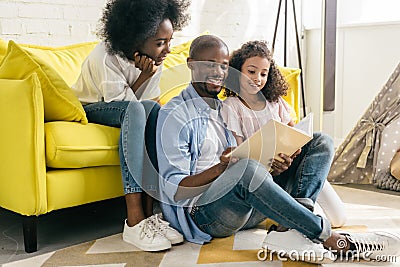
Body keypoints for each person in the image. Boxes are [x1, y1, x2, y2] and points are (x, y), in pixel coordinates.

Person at [156, 35, 400, 263]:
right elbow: (174, 189)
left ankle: (289, 229)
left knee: (319, 141)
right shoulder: (176, 115)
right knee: (246, 170)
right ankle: (331, 239)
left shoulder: (221, 108)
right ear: (190, 64)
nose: (218, 72)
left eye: (223, 65)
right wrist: (223, 168)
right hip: (207, 214)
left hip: (246, 202)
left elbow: (242, 157)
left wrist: (272, 163)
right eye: (209, 64)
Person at [71, 0, 190, 252]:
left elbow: (149, 104)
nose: (167, 49)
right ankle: (134, 220)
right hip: (92, 108)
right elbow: (122, 104)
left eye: (169, 41)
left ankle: (149, 216)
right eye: (160, 43)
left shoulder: (154, 59)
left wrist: (150, 75)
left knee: (156, 112)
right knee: (137, 109)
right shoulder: (106, 56)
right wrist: (144, 76)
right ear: (136, 39)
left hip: (127, 108)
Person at [221, 40, 347, 228]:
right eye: (251, 71)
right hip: (261, 180)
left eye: (264, 74)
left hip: (288, 170)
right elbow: (239, 152)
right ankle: (300, 217)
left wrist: (293, 151)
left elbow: (294, 133)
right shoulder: (231, 106)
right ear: (238, 70)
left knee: (323, 140)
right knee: (333, 220)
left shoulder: (276, 102)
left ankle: (301, 208)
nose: (257, 78)